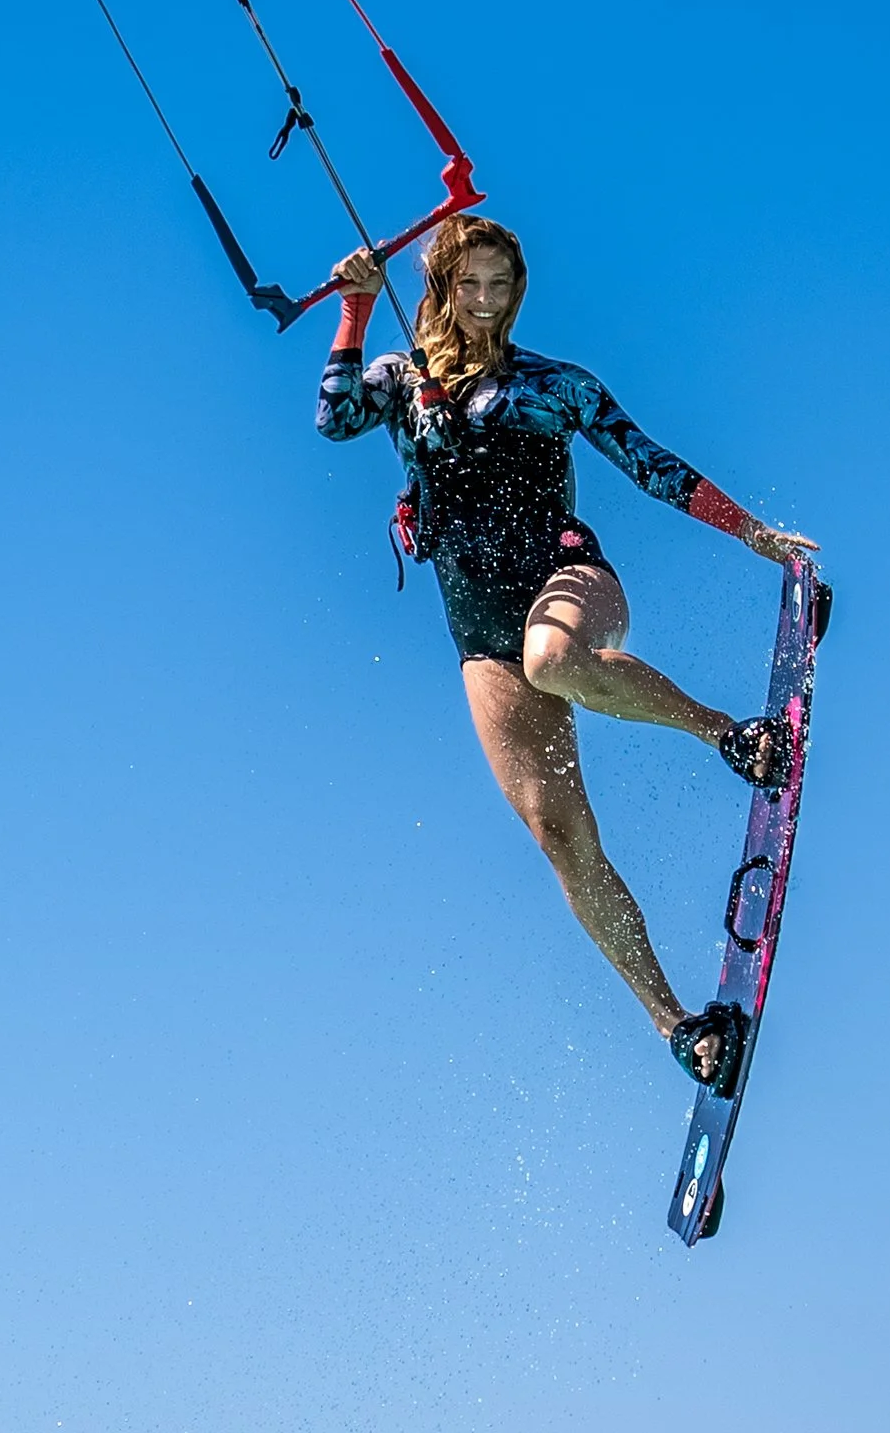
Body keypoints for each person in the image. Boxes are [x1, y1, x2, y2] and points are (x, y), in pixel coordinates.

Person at [317, 215, 816, 1088]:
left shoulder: (555, 386)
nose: (485, 301)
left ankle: (729, 737)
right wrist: (355, 309)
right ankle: (678, 1026)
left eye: (501, 286)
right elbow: (334, 417)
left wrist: (752, 534)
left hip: (568, 575)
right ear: (440, 285)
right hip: (479, 630)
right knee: (559, 835)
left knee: (554, 657)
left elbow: (650, 465)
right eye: (469, 283)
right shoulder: (403, 384)